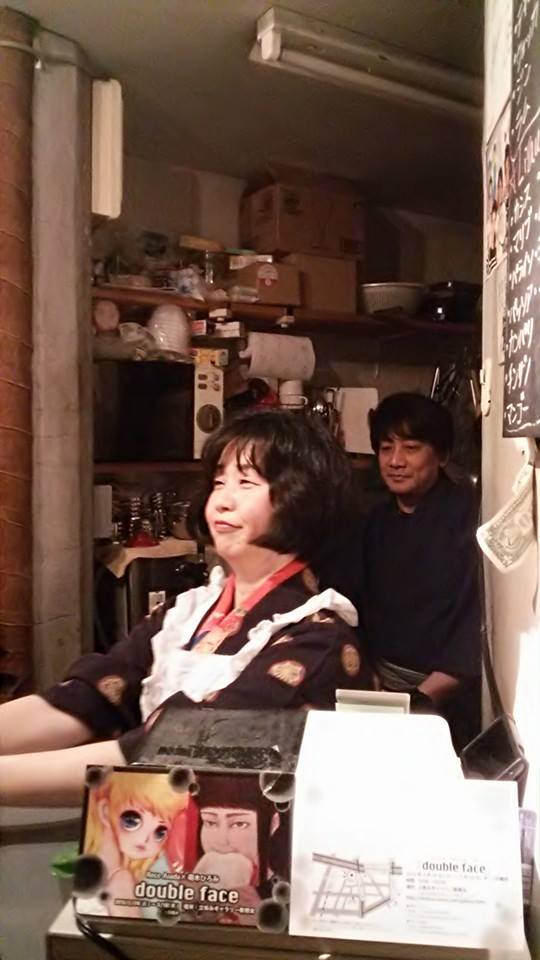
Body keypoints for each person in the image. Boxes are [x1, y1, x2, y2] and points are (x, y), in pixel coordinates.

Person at [0, 410, 372, 806]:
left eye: (246, 483)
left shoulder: (317, 637)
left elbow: (174, 748)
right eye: (219, 482)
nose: (222, 501)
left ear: (301, 499)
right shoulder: (186, 613)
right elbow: (92, 696)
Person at [361, 393, 481, 749]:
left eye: (411, 448)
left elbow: (474, 626)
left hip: (445, 701)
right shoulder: (373, 521)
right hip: (376, 688)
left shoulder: (469, 520)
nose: (396, 461)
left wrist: (421, 698)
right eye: (386, 448)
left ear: (442, 455)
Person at [82, 769, 188, 917]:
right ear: (105, 811)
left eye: (160, 832)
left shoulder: (125, 878)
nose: (144, 840)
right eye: (132, 820)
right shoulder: (120, 879)